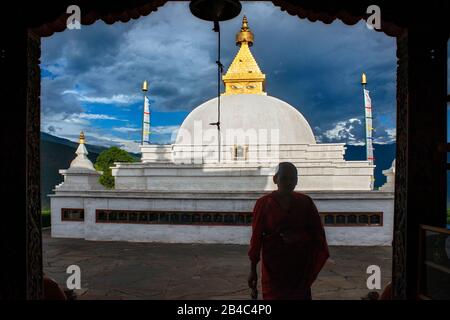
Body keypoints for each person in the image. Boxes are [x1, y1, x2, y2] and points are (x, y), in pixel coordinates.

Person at [247, 162, 329, 300]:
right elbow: (256, 238)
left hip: (299, 265)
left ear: (297, 181)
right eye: (284, 178)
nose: (288, 182)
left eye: (292, 179)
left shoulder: (305, 202)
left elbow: (317, 235)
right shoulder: (264, 203)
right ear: (275, 179)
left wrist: (299, 237)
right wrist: (252, 270)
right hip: (273, 266)